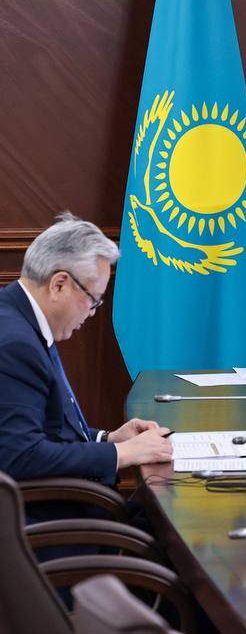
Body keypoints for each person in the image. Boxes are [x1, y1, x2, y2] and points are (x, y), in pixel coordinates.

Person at [0, 214, 172, 513]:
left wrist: (107, 438)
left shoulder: (20, 320)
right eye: (93, 300)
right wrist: (121, 453)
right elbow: (20, 456)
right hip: (50, 523)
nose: (92, 313)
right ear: (59, 285)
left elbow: (45, 430)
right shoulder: (14, 343)